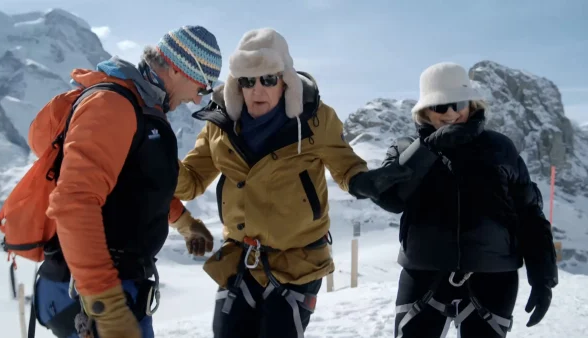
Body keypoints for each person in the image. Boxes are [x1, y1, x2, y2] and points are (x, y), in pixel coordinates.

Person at [169, 27, 412, 338]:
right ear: (236, 85)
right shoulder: (220, 126)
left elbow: (347, 167)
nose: (258, 90)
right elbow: (189, 183)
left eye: (268, 79)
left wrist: (367, 182)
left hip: (299, 264)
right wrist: (160, 158)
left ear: (285, 80)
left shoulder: (315, 119)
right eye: (247, 81)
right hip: (240, 261)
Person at [30, 26, 222, 338]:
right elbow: (74, 201)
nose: (195, 100)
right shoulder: (113, 105)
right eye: (201, 88)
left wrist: (184, 222)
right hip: (89, 295)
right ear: (177, 68)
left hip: (115, 289)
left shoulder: (142, 108)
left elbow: (136, 182)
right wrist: (104, 301)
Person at [350, 62, 558, 338]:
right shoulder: (405, 149)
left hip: (494, 278)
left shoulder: (501, 148)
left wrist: (542, 278)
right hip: (423, 277)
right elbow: (392, 199)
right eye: (439, 107)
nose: (449, 113)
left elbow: (530, 214)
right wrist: (429, 148)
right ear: (424, 111)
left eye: (457, 103)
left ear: (471, 104)